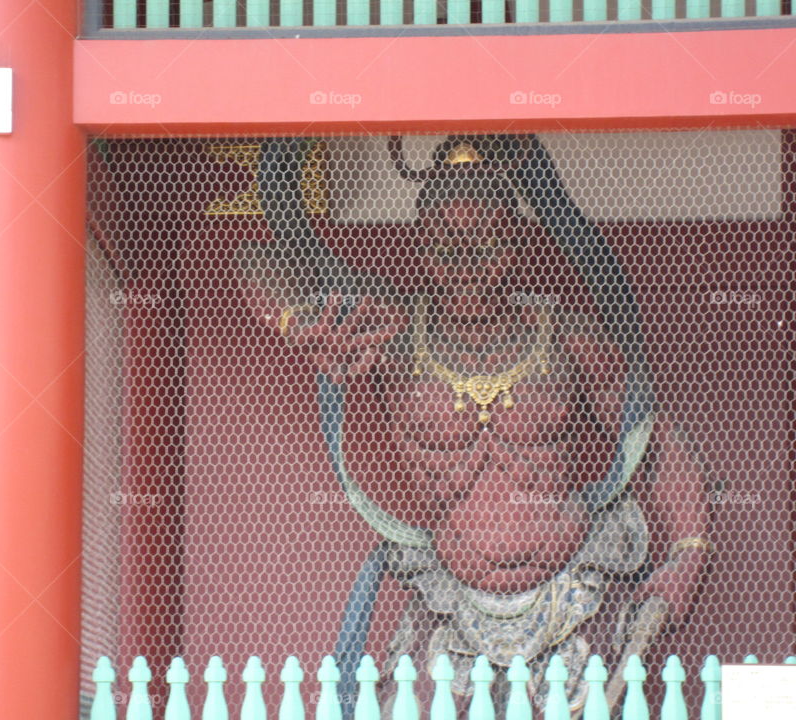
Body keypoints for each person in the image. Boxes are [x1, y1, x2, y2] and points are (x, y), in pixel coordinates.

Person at [239, 136, 712, 713]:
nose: (464, 266)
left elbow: (650, 440)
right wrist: (298, 322)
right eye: (445, 246)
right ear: (420, 246)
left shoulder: (561, 333)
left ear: (514, 243)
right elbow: (259, 259)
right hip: (450, 601)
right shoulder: (392, 327)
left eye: (484, 244)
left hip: (579, 593)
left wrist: (689, 550)